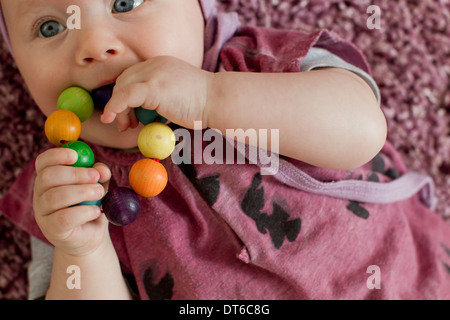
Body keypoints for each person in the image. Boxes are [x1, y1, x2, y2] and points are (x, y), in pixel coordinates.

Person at [0, 0, 449, 300]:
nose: (94, 46)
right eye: (49, 26)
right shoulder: (67, 188)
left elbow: (363, 129)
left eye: (125, 2)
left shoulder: (262, 66)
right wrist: (82, 250)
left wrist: (210, 97)